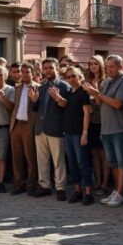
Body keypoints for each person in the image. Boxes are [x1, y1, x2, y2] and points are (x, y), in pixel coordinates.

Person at [84, 55, 123, 207]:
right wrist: (94, 93)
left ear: (120, 67)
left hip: (120, 128)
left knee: (122, 163)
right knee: (112, 162)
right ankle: (116, 191)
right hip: (106, 129)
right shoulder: (107, 81)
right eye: (107, 67)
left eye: (111, 66)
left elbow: (118, 103)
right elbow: (99, 102)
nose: (108, 69)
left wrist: (98, 94)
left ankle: (120, 192)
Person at [31, 58, 69, 201]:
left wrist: (58, 98)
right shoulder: (41, 87)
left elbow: (66, 107)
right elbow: (36, 108)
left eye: (50, 68)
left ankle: (60, 187)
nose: (47, 70)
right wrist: (34, 101)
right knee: (42, 160)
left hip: (56, 128)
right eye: (45, 68)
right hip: (40, 128)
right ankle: (45, 186)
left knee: (58, 160)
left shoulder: (64, 86)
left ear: (57, 68)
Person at [60, 67, 93, 205]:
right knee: (72, 164)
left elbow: (87, 113)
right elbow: (65, 106)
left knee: (83, 164)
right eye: (68, 77)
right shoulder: (69, 92)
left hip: (79, 133)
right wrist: (58, 98)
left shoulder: (83, 93)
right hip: (68, 133)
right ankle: (77, 190)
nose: (71, 79)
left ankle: (88, 193)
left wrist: (85, 133)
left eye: (73, 76)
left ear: (80, 77)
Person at [9, 62, 39, 196]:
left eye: (28, 72)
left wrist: (35, 100)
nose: (25, 74)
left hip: (29, 125)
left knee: (30, 157)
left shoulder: (38, 88)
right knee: (17, 157)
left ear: (32, 73)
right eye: (23, 72)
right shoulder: (17, 88)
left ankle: (31, 183)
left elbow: (38, 108)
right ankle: (19, 183)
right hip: (16, 125)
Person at [85, 55, 109, 195]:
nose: (93, 66)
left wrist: (95, 93)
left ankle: (105, 184)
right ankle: (98, 182)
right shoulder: (88, 81)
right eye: (91, 63)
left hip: (103, 121)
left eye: (95, 63)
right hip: (91, 121)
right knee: (94, 154)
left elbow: (101, 103)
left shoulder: (104, 82)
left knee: (104, 155)